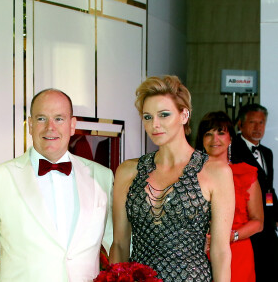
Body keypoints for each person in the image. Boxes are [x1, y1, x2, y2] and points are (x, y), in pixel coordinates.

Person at [0, 89, 113, 282]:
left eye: (59, 119)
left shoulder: (102, 177)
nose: (50, 127)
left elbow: (119, 246)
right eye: (42, 119)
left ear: (72, 125)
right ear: (30, 125)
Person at [109, 75, 235, 282]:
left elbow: (221, 251)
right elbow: (120, 244)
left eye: (164, 115)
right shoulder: (128, 171)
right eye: (148, 117)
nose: (154, 124)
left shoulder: (215, 171)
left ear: (184, 115)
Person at [195, 111, 264, 281]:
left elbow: (258, 222)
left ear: (231, 138)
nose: (214, 139)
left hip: (237, 252)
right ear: (202, 140)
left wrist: (231, 235)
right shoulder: (191, 175)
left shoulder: (245, 174)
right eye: (208, 134)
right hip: (197, 254)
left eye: (220, 132)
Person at [233, 103, 278, 282]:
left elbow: (268, 189)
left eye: (261, 123)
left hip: (266, 224)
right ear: (240, 124)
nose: (258, 127)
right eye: (252, 122)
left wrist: (275, 215)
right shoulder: (232, 149)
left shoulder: (267, 153)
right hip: (245, 225)